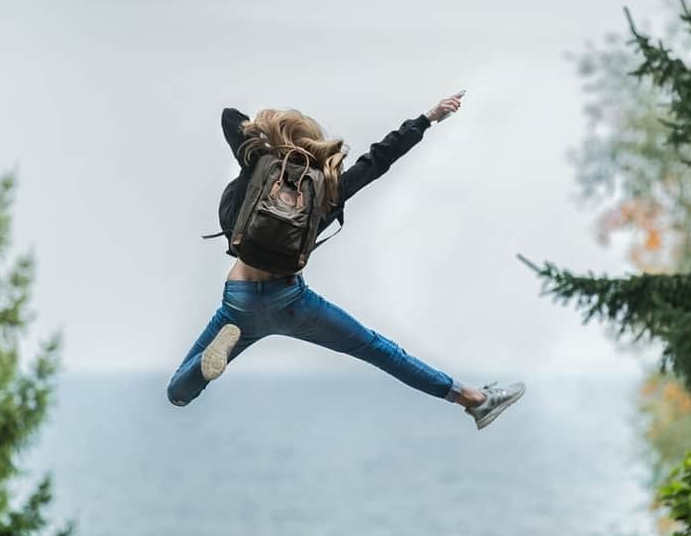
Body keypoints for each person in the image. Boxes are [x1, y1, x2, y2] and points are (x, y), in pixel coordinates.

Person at [166, 91, 525, 430]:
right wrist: (428, 118)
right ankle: (474, 400)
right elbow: (379, 159)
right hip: (291, 302)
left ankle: (206, 364)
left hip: (239, 300)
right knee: (380, 350)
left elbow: (231, 117)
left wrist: (267, 138)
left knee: (177, 393)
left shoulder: (258, 164)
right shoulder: (327, 188)